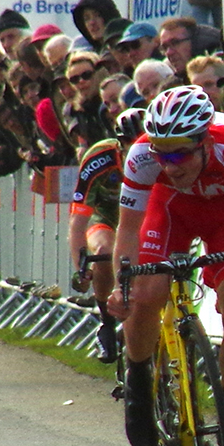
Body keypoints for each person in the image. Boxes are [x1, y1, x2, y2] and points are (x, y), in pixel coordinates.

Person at [110, 84, 224, 446]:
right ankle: (139, 380)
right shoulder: (141, 156)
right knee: (144, 295)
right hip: (169, 211)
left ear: (206, 142)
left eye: (181, 152)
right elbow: (128, 229)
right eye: (162, 153)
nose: (171, 165)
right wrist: (121, 286)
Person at [71, 107, 147, 361]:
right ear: (120, 146)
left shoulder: (160, 156)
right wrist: (81, 268)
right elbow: (78, 221)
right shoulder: (99, 158)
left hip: (142, 217)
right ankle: (106, 322)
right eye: (132, 148)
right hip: (104, 216)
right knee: (105, 252)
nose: (139, 154)